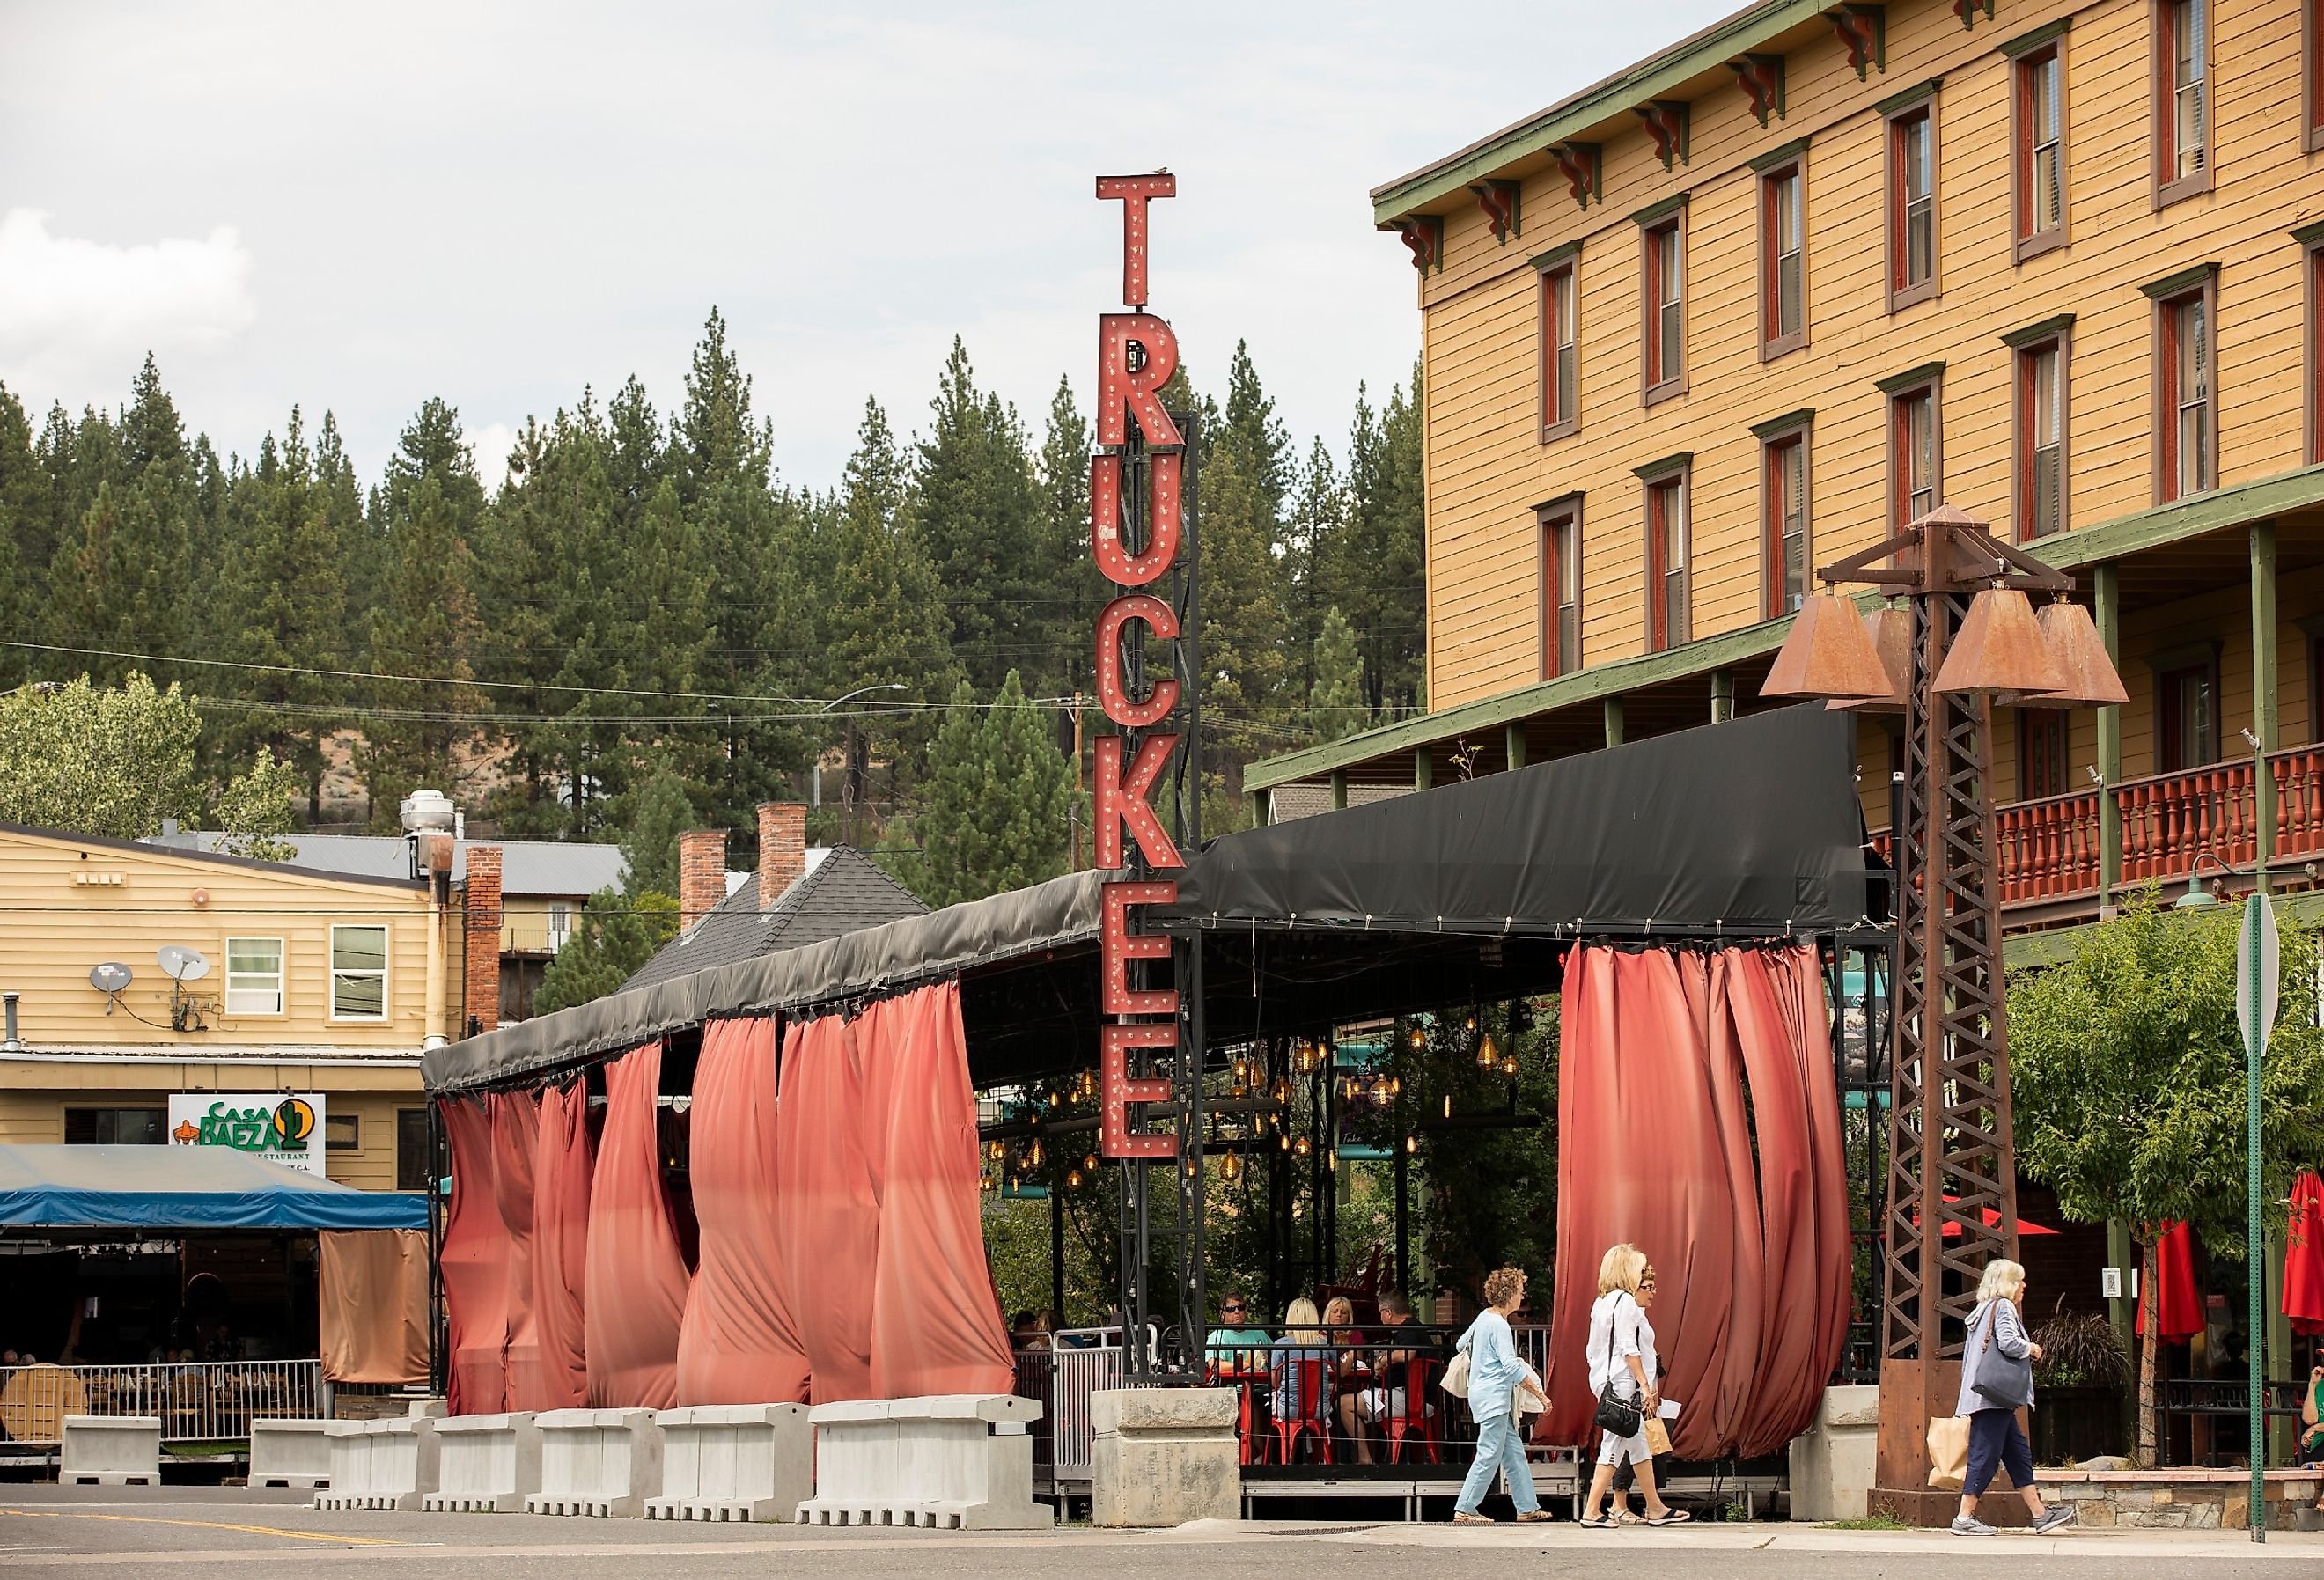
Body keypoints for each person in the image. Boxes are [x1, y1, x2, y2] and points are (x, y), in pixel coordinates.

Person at [1953, 1258, 2071, 1536]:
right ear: (2008, 1283)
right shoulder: (2003, 1307)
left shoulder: (1982, 1309)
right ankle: (1963, 1517)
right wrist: (2030, 1348)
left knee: (2017, 1453)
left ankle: (2040, 1514)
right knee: (1984, 1456)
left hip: (1990, 1397)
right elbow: (2007, 1342)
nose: (2024, 1285)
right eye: (2019, 1280)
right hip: (1993, 1399)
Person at [1578, 1245, 1686, 1527]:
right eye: (1638, 1267)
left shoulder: (1601, 1302)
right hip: (1624, 1381)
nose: (1641, 1272)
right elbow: (1629, 1347)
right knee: (1613, 1444)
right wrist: (1645, 1386)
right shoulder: (1625, 1301)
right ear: (1626, 1269)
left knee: (1638, 1445)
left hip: (1607, 1379)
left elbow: (1593, 1349)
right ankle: (1591, 1510)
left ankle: (1655, 1507)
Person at [1452, 1266, 1553, 1524]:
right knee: (1488, 1452)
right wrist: (1540, 1395)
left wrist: (1481, 1359)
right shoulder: (1499, 1325)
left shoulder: (1484, 1317)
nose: (1522, 1296)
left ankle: (1527, 1507)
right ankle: (1465, 1508)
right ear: (1509, 1295)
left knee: (1514, 1453)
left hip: (1482, 1394)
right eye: (1520, 1291)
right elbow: (1510, 1366)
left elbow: (1460, 1344)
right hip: (1495, 1397)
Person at [1350, 1292, 1422, 1455]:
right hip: (1415, 1397)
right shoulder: (1413, 1327)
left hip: (1409, 1399)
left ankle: (1364, 1458)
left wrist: (1382, 1360)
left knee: (1344, 1404)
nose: (1380, 1317)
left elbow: (1406, 1354)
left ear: (1388, 1313)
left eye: (1381, 1312)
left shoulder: (1408, 1328)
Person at [1321, 1296, 1376, 1464]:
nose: (1339, 1316)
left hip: (1350, 1385)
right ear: (1328, 1315)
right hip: (1325, 1386)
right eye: (1335, 1311)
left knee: (1345, 1403)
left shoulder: (1355, 1334)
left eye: (1343, 1312)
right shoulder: (1320, 1334)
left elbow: (1359, 1362)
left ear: (1349, 1316)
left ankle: (1355, 1453)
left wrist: (1346, 1343)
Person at [1271, 1298, 1333, 1447]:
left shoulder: (1281, 1345)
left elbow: (1274, 1383)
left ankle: (1287, 1460)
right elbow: (1341, 1372)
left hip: (1289, 1409)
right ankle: (1321, 1458)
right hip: (1320, 1409)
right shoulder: (1326, 1344)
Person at [1205, 1294, 1271, 1375]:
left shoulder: (1258, 1331)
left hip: (1264, 1384)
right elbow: (1215, 1367)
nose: (1237, 1312)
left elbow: (1276, 1357)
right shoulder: (1216, 1337)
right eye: (1230, 1309)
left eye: (1241, 1307)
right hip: (1233, 1386)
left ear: (1245, 1310)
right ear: (1222, 1314)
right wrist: (1247, 1365)